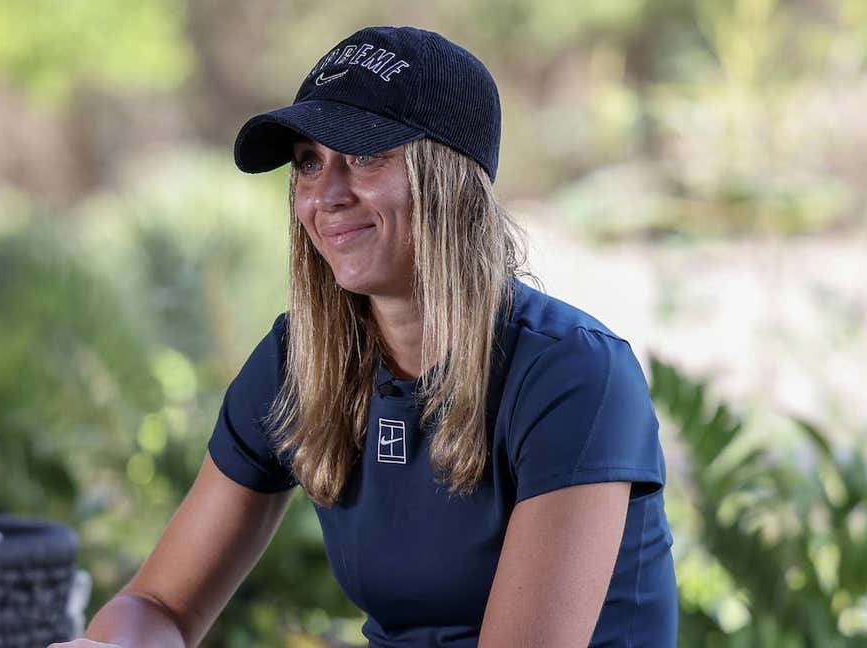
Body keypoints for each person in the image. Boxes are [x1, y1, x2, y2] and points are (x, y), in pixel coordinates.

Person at [51, 25, 676, 648]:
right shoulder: (300, 362)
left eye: (365, 155)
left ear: (449, 179)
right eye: (308, 163)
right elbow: (159, 603)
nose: (326, 196)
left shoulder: (572, 375)